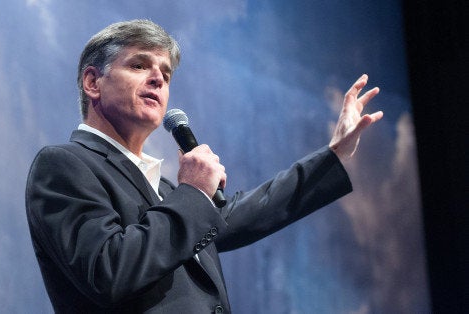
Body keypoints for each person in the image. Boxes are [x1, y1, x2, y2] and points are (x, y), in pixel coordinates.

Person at [25, 19, 383, 313]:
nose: (157, 79)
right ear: (93, 82)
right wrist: (194, 192)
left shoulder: (167, 192)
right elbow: (108, 269)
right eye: (138, 65)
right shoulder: (64, 165)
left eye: (165, 74)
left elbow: (254, 210)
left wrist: (334, 153)